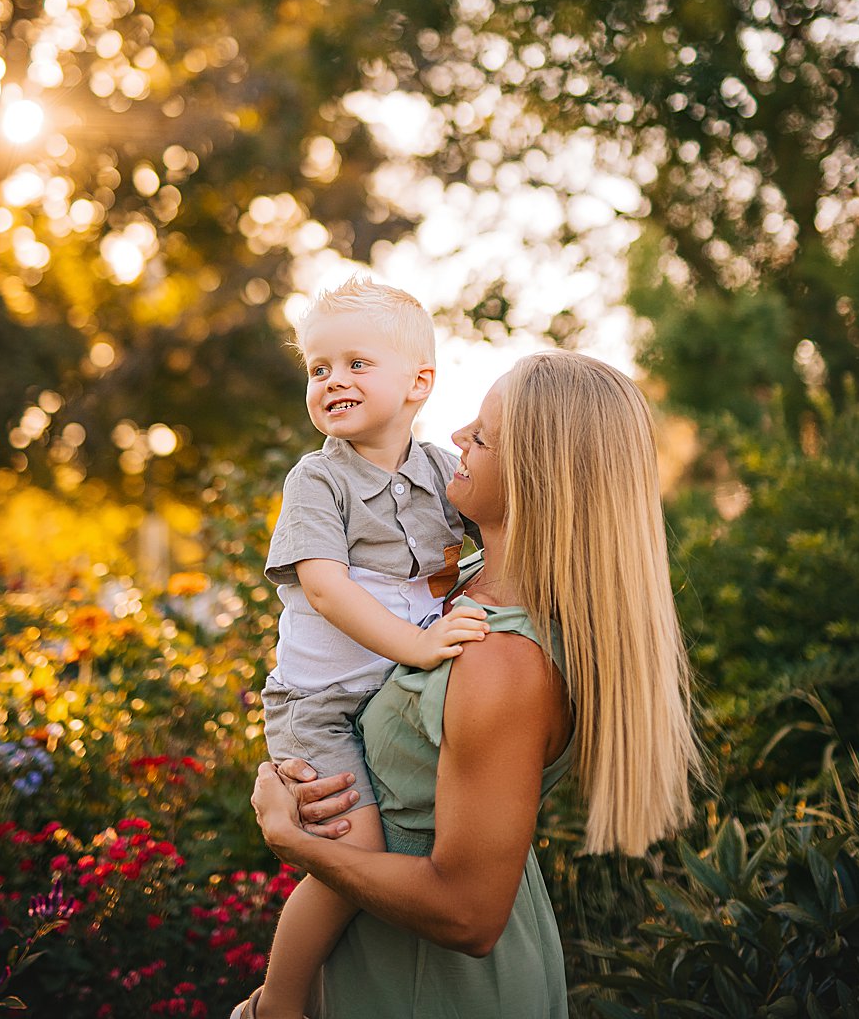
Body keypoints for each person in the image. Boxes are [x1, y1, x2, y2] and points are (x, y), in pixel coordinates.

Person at [242, 351, 700, 1018]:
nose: (455, 437)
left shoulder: (502, 660)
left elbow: (467, 913)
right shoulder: (457, 586)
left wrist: (298, 843)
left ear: (537, 479)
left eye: (481, 435)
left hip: (435, 987)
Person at [250, 279, 490, 1019]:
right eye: (319, 368)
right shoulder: (318, 477)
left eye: (357, 362)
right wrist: (420, 647)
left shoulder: (440, 481)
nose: (334, 380)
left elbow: (474, 553)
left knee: (407, 843)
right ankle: (277, 1003)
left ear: (418, 383)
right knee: (351, 854)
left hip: (385, 697)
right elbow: (324, 587)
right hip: (320, 708)